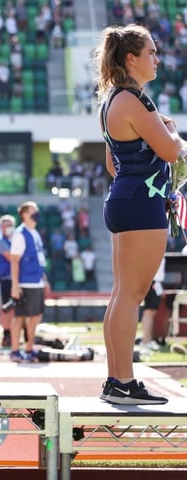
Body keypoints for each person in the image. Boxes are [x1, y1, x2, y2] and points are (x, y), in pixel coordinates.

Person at [94, 24, 180, 405]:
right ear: (131, 58)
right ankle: (124, 381)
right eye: (151, 53)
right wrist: (173, 131)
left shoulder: (114, 100)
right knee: (131, 295)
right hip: (140, 204)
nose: (157, 60)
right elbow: (171, 151)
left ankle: (117, 379)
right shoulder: (133, 101)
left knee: (122, 294)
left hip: (126, 198)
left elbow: (113, 165)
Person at [9, 201, 49, 363]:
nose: (37, 213)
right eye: (34, 211)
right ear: (25, 214)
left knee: (36, 316)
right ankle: (15, 350)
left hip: (37, 281)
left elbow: (39, 259)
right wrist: (15, 285)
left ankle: (29, 348)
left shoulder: (35, 233)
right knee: (20, 317)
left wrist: (44, 279)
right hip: (26, 282)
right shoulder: (20, 233)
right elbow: (14, 261)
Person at [0, 214, 16, 347]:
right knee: (7, 307)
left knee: (15, 307)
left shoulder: (14, 239)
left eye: (11, 225)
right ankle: (6, 333)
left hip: (16, 278)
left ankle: (13, 333)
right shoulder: (0, 240)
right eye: (6, 225)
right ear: (1, 227)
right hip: (6, 278)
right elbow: (11, 257)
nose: (9, 228)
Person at [140, 258, 165, 351]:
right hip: (152, 281)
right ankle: (146, 340)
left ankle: (148, 340)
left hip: (156, 282)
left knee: (151, 312)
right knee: (149, 311)